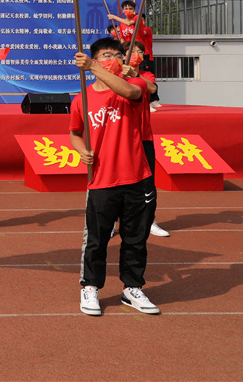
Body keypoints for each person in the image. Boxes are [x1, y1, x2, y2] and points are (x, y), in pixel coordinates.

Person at [70, 37, 159, 317]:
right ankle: (90, 287)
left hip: (136, 176)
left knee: (135, 238)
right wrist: (82, 150)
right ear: (96, 58)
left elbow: (130, 92)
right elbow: (74, 133)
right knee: (96, 239)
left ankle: (132, 287)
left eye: (119, 55)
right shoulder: (81, 99)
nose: (115, 59)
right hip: (102, 179)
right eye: (107, 55)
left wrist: (94, 67)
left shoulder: (135, 84)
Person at [124, 40, 170, 238]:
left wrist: (135, 76)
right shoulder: (115, 76)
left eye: (139, 51)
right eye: (132, 51)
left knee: (147, 180)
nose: (136, 54)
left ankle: (149, 220)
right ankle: (113, 222)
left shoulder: (146, 75)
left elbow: (152, 89)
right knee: (118, 182)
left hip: (143, 136)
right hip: (120, 137)